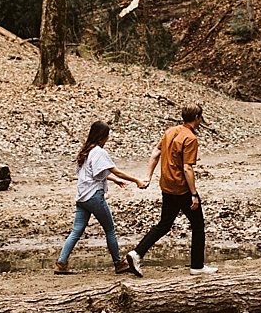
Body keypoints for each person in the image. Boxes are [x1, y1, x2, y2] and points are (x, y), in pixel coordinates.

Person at [126, 105, 217, 276]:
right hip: (181, 189)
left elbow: (155, 153)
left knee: (164, 225)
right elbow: (187, 168)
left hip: (166, 186)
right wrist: (194, 194)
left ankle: (136, 253)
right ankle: (197, 266)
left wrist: (149, 176)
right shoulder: (190, 138)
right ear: (197, 117)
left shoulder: (170, 131)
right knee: (198, 225)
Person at [56, 121, 145, 275]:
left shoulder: (85, 151)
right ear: (102, 136)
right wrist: (136, 180)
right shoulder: (99, 152)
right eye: (107, 135)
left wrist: (114, 180)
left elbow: (91, 174)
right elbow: (116, 171)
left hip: (82, 197)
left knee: (76, 231)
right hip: (94, 196)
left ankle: (61, 263)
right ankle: (119, 263)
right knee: (110, 229)